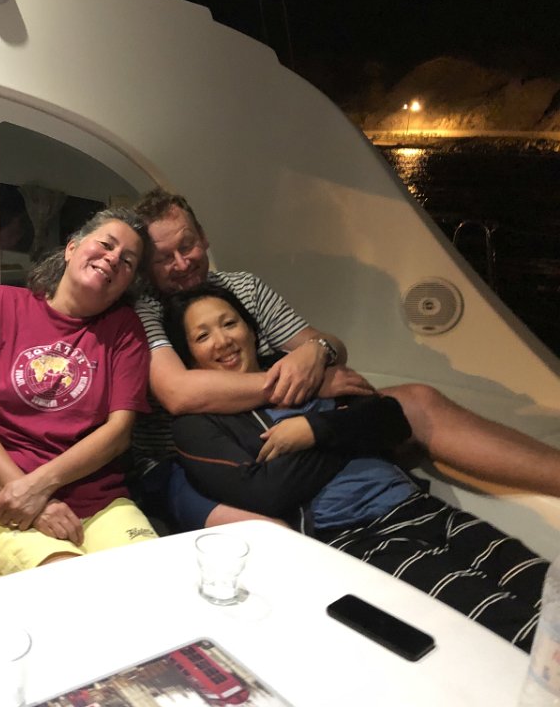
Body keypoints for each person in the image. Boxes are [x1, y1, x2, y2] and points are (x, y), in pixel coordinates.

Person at [130, 187, 560, 531]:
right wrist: (309, 382)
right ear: (146, 269)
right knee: (267, 530)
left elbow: (328, 345)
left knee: (417, 401)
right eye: (164, 258)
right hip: (196, 460)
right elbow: (179, 394)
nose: (182, 263)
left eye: (188, 245)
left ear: (203, 237)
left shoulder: (244, 288)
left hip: (284, 425)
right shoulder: (143, 313)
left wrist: (317, 353)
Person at [162, 284, 548, 650]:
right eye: (203, 336)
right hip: (358, 539)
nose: (223, 340)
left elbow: (390, 419)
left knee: (545, 588)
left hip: (424, 509)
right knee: (510, 628)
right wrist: (349, 432)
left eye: (230, 323)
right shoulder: (197, 423)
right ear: (188, 354)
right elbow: (265, 491)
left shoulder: (298, 374)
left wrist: (314, 430)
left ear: (250, 328)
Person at [0, 207, 158, 582]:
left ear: (127, 283)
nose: (113, 259)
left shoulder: (124, 330)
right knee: (69, 585)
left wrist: (40, 487)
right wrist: (26, 497)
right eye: (106, 244)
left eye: (127, 261)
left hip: (99, 504)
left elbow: (118, 432)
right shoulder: (0, 305)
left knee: (153, 579)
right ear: (71, 248)